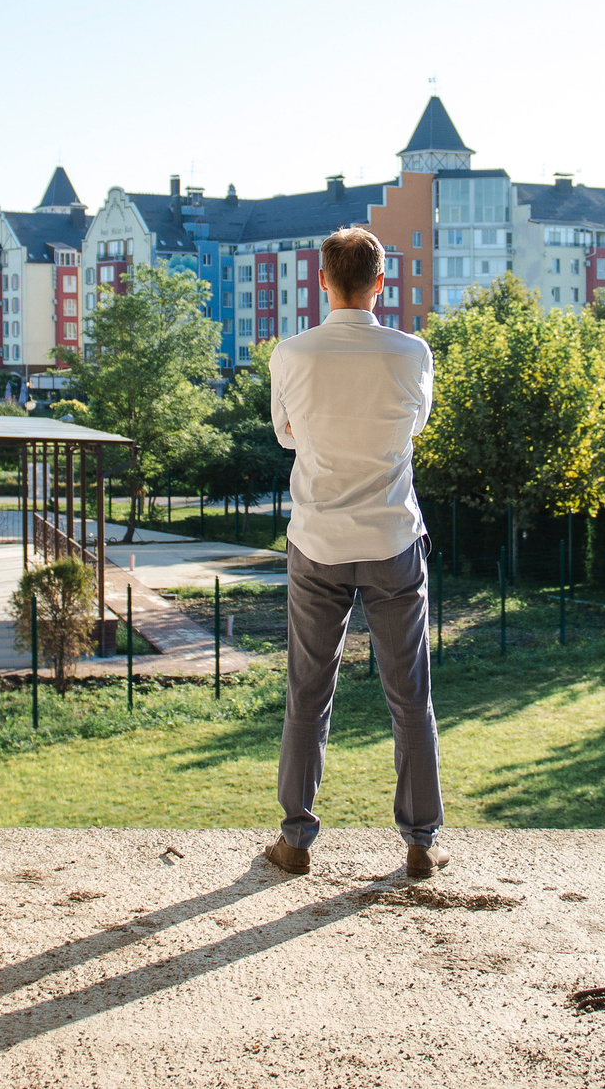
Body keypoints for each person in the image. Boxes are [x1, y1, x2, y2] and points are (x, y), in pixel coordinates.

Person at [261, 225, 446, 878]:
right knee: (409, 692)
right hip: (393, 539)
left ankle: (295, 840)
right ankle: (421, 839)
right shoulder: (410, 352)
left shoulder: (292, 353)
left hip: (318, 542)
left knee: (307, 693)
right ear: (379, 282)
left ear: (321, 280)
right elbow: (414, 424)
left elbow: (286, 437)